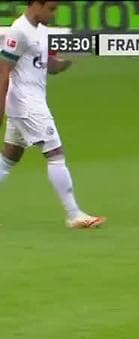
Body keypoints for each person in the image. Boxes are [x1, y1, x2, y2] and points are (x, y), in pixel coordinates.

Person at [0, 0, 105, 228]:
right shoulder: (19, 32)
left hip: (29, 103)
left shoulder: (40, 30)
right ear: (36, 5)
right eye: (51, 9)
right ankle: (74, 214)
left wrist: (70, 60)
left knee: (8, 158)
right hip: (28, 105)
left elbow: (49, 66)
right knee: (55, 153)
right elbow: (3, 72)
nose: (54, 14)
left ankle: (74, 214)